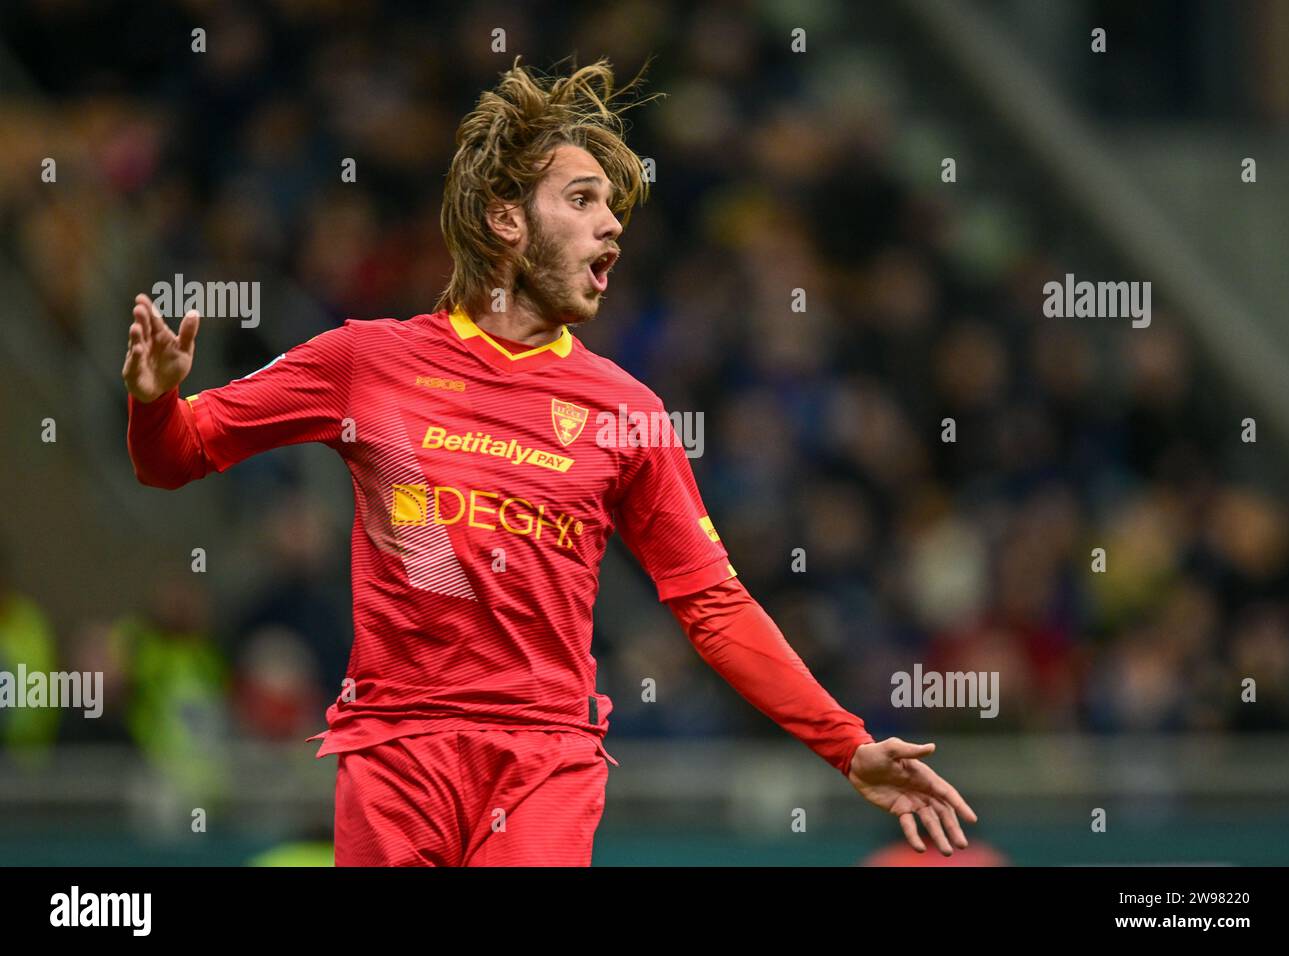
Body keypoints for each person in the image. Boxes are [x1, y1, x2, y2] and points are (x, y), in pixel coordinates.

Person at [122, 56, 976, 866]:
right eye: (582, 198)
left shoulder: (626, 412)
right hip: (396, 748)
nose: (611, 225)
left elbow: (712, 604)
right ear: (507, 218)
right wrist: (155, 400)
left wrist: (846, 743)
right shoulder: (365, 363)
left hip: (544, 761)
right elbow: (177, 457)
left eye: (614, 210)